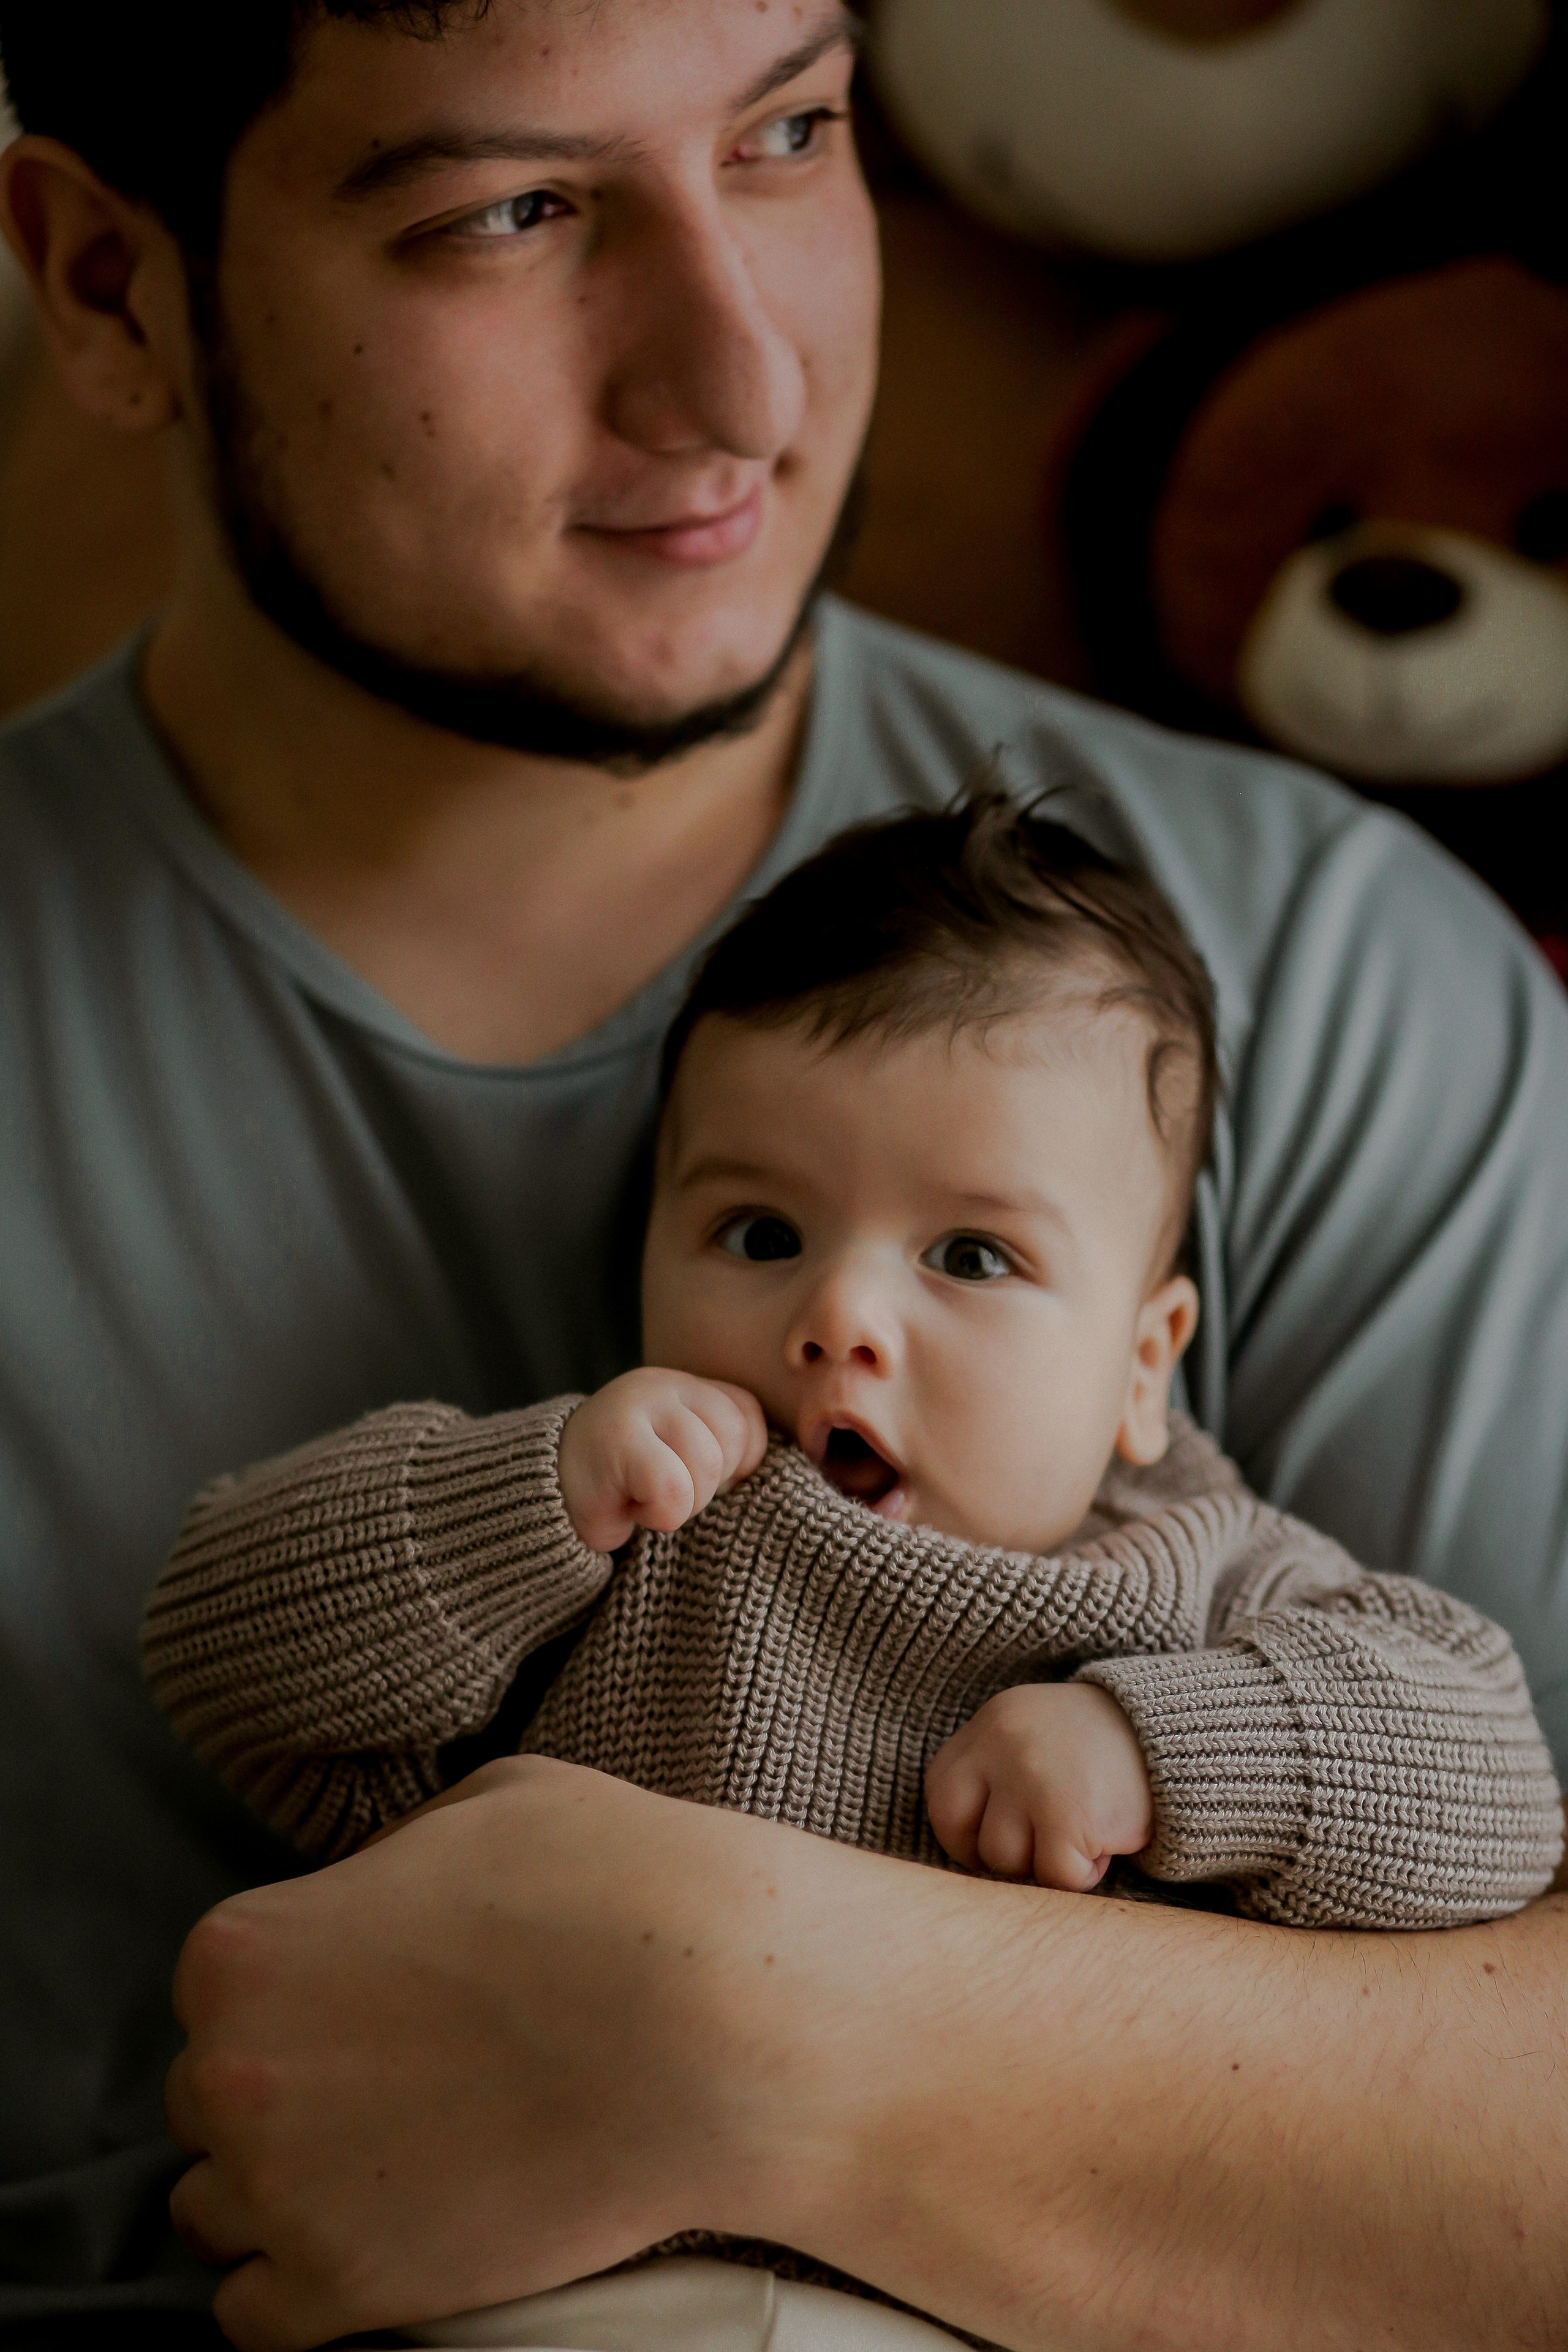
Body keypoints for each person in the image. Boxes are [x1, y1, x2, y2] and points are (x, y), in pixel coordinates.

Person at [0, 4, 1565, 2350]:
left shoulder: (1320, 984)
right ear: (112, 291)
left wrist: (750, 2042)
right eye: (507, 211)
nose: (742, 383)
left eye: (792, 133)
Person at [143, 799, 1560, 1955]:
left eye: (971, 1254)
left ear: (1141, 1367)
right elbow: (217, 1650)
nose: (838, 1319)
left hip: (1006, 2276)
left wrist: (1165, 1749)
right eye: (759, 1235)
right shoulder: (620, 1542)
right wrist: (519, 1502)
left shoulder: (1206, 1582)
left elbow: (1498, 1787)